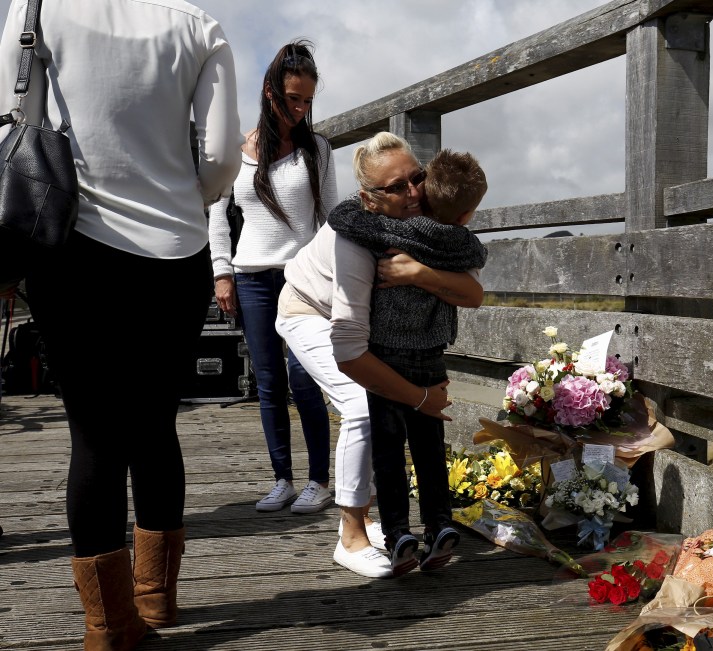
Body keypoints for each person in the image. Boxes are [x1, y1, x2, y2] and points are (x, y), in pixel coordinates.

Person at [0, 1, 242, 648]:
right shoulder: (197, 25)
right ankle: (156, 598)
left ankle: (108, 626)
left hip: (71, 248)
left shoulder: (37, 7)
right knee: (156, 423)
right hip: (174, 254)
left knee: (95, 435)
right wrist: (175, 199)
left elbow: (11, 118)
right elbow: (220, 158)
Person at [275, 133, 483, 579]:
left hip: (376, 328)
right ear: (369, 200)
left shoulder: (427, 214)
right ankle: (351, 535)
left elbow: (471, 290)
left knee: (400, 423)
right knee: (361, 408)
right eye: (396, 187)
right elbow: (349, 354)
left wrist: (420, 272)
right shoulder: (354, 239)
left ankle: (411, 525)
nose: (413, 193)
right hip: (310, 307)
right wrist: (421, 398)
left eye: (417, 177)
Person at [208, 41, 336, 515]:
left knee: (306, 379)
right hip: (252, 280)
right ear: (269, 92)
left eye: (307, 101)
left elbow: (328, 222)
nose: (300, 110)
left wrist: (331, 281)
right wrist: (222, 273)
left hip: (303, 281)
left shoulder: (317, 150)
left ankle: (318, 480)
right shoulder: (238, 151)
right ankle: (281, 478)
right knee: (268, 381)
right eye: (292, 99)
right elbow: (218, 216)